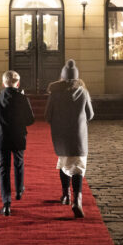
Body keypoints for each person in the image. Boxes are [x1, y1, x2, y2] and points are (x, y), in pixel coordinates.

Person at [45, 59, 94, 219]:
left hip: (61, 135)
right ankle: (77, 200)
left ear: (62, 76)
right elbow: (91, 114)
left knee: (64, 163)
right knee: (79, 167)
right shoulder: (83, 91)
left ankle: (65, 195)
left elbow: (47, 115)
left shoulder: (55, 93)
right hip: (78, 135)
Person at [0, 70, 35, 217]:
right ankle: (19, 190)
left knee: (4, 169)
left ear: (3, 83)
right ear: (17, 83)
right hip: (18, 136)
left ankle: (6, 203)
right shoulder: (22, 98)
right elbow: (30, 120)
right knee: (19, 163)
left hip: (2, 137)